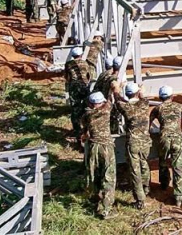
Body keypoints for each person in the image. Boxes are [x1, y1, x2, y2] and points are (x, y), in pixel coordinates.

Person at [114, 82, 152, 209]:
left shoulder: (125, 107)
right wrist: (141, 88)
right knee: (144, 163)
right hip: (146, 141)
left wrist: (116, 88)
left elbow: (117, 98)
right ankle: (146, 188)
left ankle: (140, 199)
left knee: (135, 170)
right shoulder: (145, 103)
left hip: (133, 142)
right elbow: (143, 95)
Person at [81, 91, 116, 219]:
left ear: (90, 104)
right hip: (106, 147)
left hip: (93, 147)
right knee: (108, 176)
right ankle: (106, 209)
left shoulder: (87, 115)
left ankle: (95, 198)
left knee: (95, 173)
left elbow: (84, 131)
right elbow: (111, 99)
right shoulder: (106, 110)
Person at [150, 85, 182, 207]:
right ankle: (179, 196)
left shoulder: (157, 109)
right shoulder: (179, 107)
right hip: (177, 138)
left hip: (164, 138)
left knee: (163, 161)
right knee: (178, 166)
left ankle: (164, 184)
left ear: (160, 97)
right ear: (172, 96)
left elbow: (148, 123)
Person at [65, 46, 92, 147]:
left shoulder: (69, 64)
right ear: (81, 54)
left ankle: (77, 130)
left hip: (74, 87)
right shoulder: (85, 63)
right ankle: (87, 127)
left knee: (75, 108)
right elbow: (89, 76)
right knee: (86, 106)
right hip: (84, 86)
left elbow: (67, 77)